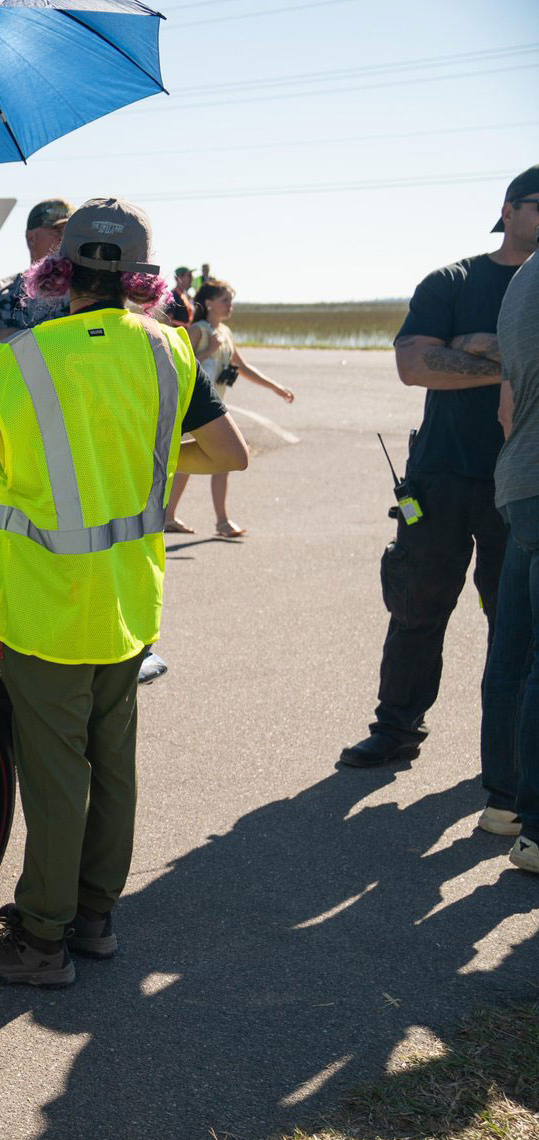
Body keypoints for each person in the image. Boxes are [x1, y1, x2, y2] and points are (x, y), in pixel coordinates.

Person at [0, 198, 249, 988]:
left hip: (45, 604)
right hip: (127, 601)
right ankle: (93, 919)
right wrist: (131, 453)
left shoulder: (22, 359)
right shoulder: (168, 353)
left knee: (54, 777)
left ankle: (39, 940)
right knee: (112, 765)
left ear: (58, 270)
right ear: (142, 276)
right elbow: (231, 453)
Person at [338, 166, 538, 769]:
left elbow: (442, 357)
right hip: (442, 474)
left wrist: (476, 348)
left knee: (517, 624)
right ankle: (396, 729)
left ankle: (510, 761)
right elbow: (415, 365)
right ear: (508, 210)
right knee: (417, 607)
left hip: (522, 482)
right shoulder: (453, 281)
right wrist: (514, 367)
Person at [481, 219, 539, 868]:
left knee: (513, 650)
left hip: (521, 478)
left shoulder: (524, 277)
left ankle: (505, 804)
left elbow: (506, 405)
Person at [164, 280, 294, 538]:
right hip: (191, 411)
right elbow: (178, 366)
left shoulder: (225, 332)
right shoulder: (198, 331)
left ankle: (221, 522)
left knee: (223, 462)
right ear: (210, 302)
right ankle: (168, 517)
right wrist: (209, 350)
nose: (230, 305)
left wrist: (275, 387)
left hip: (214, 409)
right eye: (225, 299)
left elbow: (243, 367)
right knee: (184, 466)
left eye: (230, 300)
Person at [0, 198, 71, 370]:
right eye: (57, 231)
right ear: (31, 239)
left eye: (69, 233)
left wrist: (12, 340)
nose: (64, 239)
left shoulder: (86, 293)